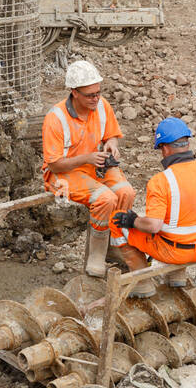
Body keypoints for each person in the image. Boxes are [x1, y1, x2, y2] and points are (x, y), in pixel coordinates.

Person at [110, 117, 196, 294]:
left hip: (173, 252)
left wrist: (132, 220)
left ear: (165, 148)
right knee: (176, 218)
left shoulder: (162, 181)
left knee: (116, 221)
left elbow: (153, 226)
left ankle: (141, 283)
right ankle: (177, 276)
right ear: (186, 144)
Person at [41, 59, 136, 277]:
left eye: (98, 93)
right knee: (105, 198)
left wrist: (112, 143)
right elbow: (54, 163)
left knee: (126, 192)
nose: (96, 98)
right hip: (63, 173)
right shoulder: (55, 119)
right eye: (90, 95)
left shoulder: (101, 106)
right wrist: (87, 158)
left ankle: (116, 245)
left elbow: (110, 133)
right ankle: (97, 253)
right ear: (74, 93)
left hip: (95, 165)